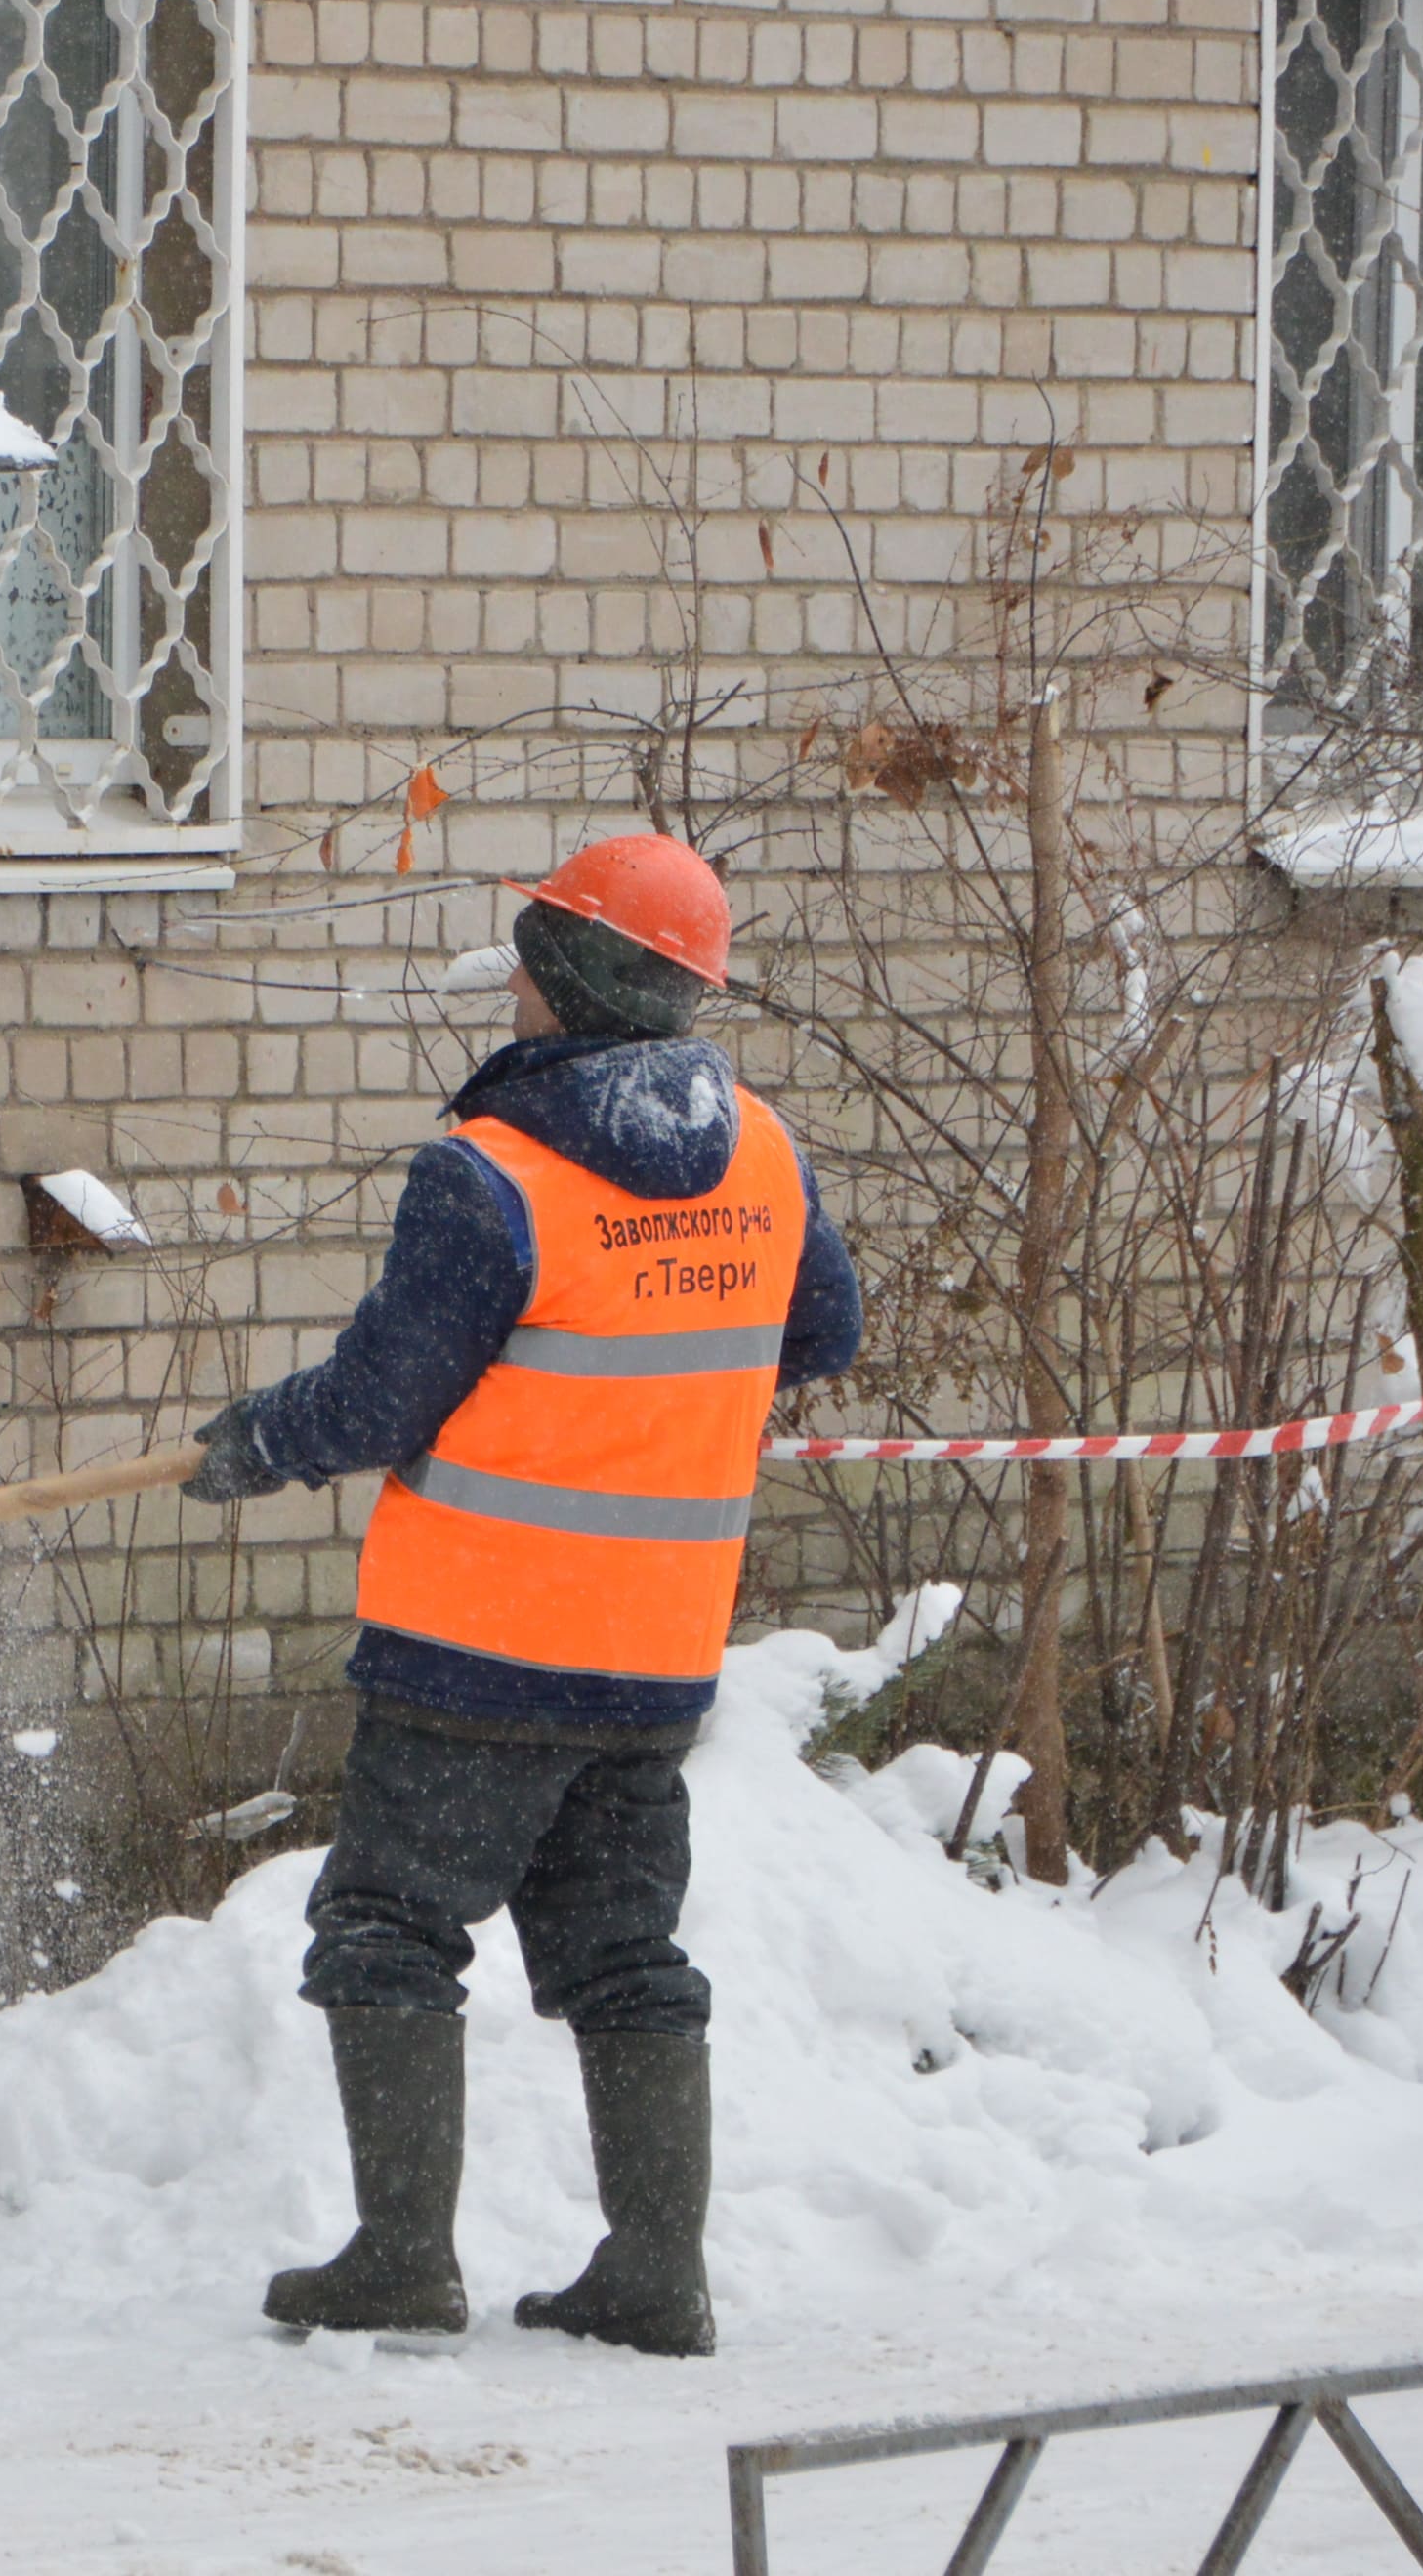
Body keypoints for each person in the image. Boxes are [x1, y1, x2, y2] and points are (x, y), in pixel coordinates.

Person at [181, 833, 860, 2355]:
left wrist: (259, 1442)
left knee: (387, 1927)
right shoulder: (762, 1150)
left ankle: (404, 2262)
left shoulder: (490, 1175)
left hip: (477, 1647)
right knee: (624, 1949)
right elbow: (818, 1330)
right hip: (657, 1651)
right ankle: (656, 2273)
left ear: (551, 974)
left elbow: (380, 1398)